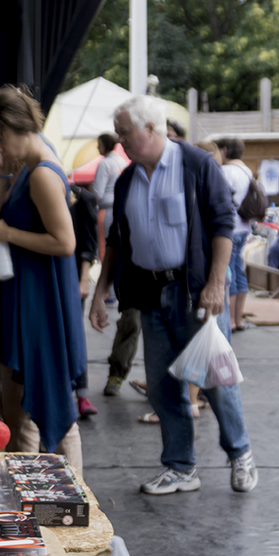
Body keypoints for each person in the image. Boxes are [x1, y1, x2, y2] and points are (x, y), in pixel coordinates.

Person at [89, 95, 258, 494]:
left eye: (125, 132)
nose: (120, 140)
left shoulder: (197, 166)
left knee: (216, 381)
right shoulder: (128, 178)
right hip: (152, 294)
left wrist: (216, 284)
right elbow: (115, 241)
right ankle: (181, 467)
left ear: (152, 129)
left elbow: (223, 226)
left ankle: (241, 454)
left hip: (195, 294)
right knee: (163, 387)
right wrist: (100, 293)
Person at [0, 85, 86, 474]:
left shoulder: (41, 173)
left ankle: (64, 516)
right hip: (25, 298)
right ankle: (48, 510)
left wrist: (9, 234)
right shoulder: (24, 167)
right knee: (22, 409)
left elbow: (65, 242)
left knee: (35, 413)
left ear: (7, 129)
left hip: (38, 305)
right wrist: (3, 177)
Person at [215, 136, 254, 331]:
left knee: (227, 273)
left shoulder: (225, 171)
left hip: (229, 229)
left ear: (224, 150)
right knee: (239, 272)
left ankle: (229, 320)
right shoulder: (247, 171)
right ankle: (238, 319)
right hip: (244, 228)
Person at [70, 186, 99, 418]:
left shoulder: (83, 199)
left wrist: (84, 280)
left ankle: (82, 395)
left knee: (74, 334)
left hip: (71, 277)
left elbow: (89, 245)